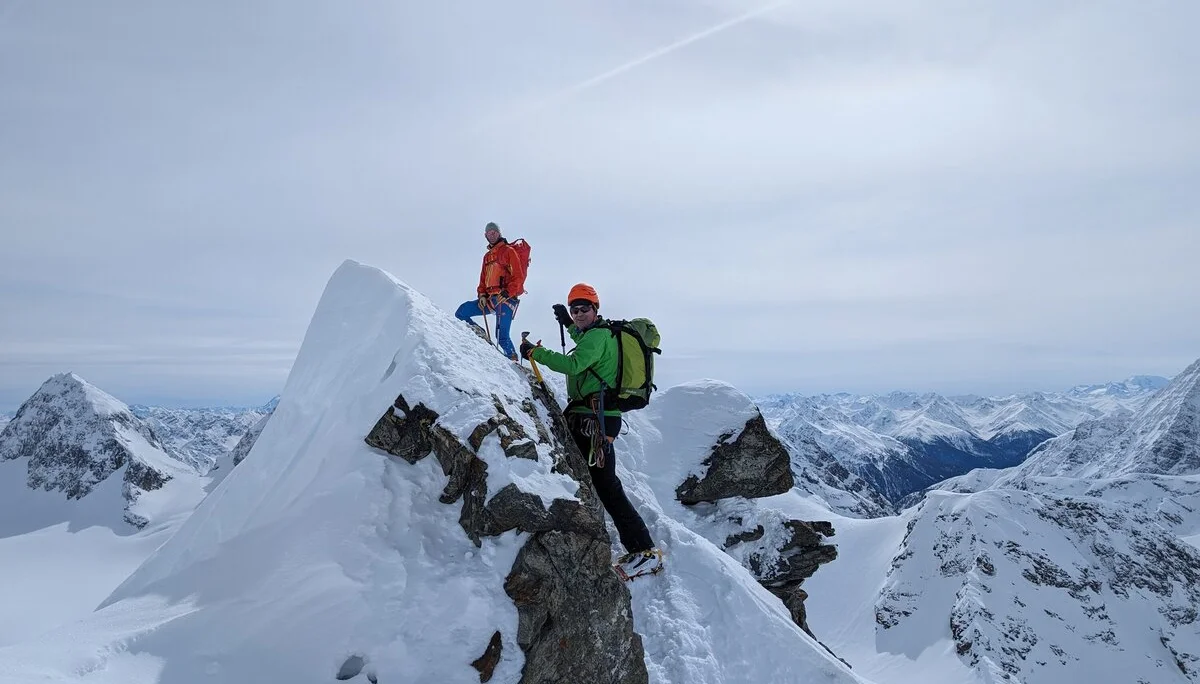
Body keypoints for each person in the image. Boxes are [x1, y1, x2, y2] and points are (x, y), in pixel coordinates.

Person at [520, 282, 663, 579]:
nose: (579, 313)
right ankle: (640, 547)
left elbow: (573, 364)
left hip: (594, 419)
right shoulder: (598, 333)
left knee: (606, 485)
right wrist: (569, 325)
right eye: (575, 309)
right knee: (602, 483)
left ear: (596, 309)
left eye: (584, 308)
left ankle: (644, 550)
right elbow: (585, 344)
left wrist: (536, 352)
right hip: (595, 416)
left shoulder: (596, 337)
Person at [456, 222, 525, 360]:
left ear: (499, 233)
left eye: (494, 232)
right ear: (485, 235)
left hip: (506, 299)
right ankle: (479, 335)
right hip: (489, 300)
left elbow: (518, 277)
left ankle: (514, 362)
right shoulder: (487, 257)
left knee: (502, 337)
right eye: (489, 233)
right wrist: (481, 295)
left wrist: (507, 292)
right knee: (461, 312)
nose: (492, 234)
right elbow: (483, 280)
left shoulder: (508, 251)